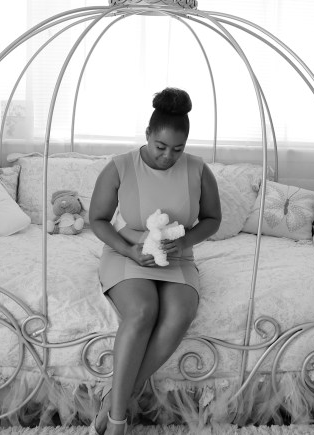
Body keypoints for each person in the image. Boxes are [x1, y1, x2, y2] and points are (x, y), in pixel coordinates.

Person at [88, 87, 222, 435]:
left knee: (179, 313)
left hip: (177, 256)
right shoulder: (119, 167)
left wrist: (185, 243)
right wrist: (129, 250)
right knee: (143, 311)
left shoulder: (198, 170)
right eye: (160, 147)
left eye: (177, 149)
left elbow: (212, 219)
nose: (167, 157)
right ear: (147, 135)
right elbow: (98, 219)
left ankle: (119, 397)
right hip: (127, 253)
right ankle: (118, 420)